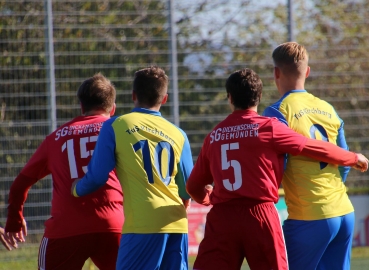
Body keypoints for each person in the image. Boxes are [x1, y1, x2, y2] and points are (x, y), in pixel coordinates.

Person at [186, 68, 368, 270]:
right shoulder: (268, 128)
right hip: (260, 215)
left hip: (222, 217)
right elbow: (312, 147)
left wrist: (208, 198)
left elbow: (193, 186)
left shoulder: (214, 135)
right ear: (259, 96)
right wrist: (352, 158)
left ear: (230, 98)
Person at [72, 66, 193, 270]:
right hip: (177, 223)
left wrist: (76, 188)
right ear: (164, 99)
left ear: (133, 95)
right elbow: (187, 187)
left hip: (142, 225)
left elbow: (97, 177)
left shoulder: (115, 126)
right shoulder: (178, 134)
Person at [5, 73, 124, 270]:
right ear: (113, 109)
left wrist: (14, 221)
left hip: (66, 228)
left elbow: (19, 185)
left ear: (81, 106)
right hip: (113, 225)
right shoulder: (119, 131)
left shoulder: (56, 138)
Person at [262, 41, 360, 270]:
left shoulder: (277, 111)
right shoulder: (328, 108)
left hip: (309, 215)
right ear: (307, 71)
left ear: (276, 72)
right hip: (344, 212)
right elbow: (344, 160)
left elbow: (276, 164)